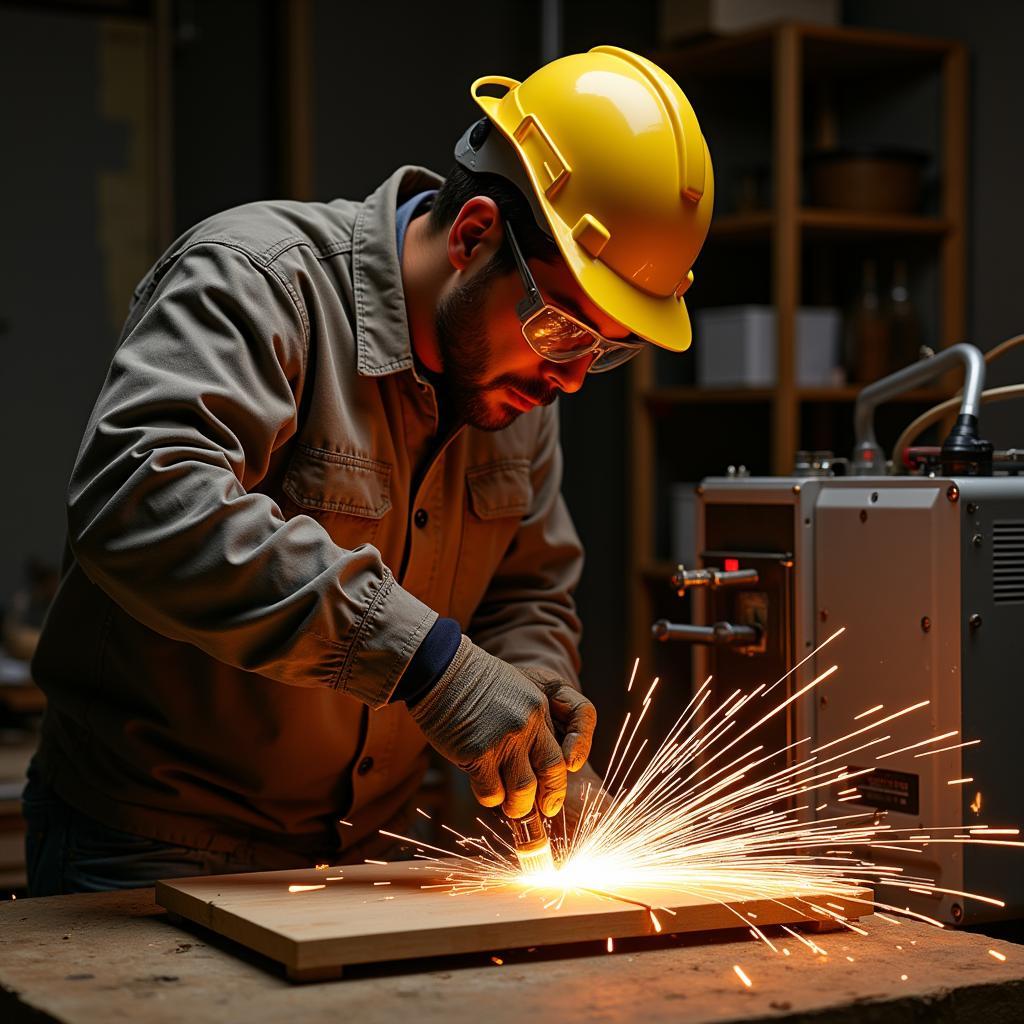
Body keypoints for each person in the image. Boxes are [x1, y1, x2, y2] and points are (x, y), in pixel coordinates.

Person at [24, 45, 713, 894]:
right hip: (149, 849)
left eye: (607, 352)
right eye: (566, 331)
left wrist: (532, 685)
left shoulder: (518, 383)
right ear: (474, 235)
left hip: (362, 859)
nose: (572, 374)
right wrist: (430, 666)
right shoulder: (260, 281)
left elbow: (525, 590)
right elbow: (141, 500)